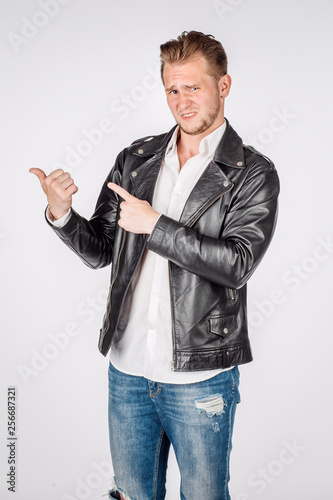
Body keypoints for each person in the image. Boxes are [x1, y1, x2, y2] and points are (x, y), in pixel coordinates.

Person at [30, 31, 279, 500]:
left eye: (194, 87)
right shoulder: (137, 159)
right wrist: (61, 213)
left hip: (200, 378)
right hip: (127, 373)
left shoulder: (253, 172)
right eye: (172, 89)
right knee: (131, 495)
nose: (182, 101)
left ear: (223, 86)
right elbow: (102, 250)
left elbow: (237, 264)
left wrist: (156, 225)